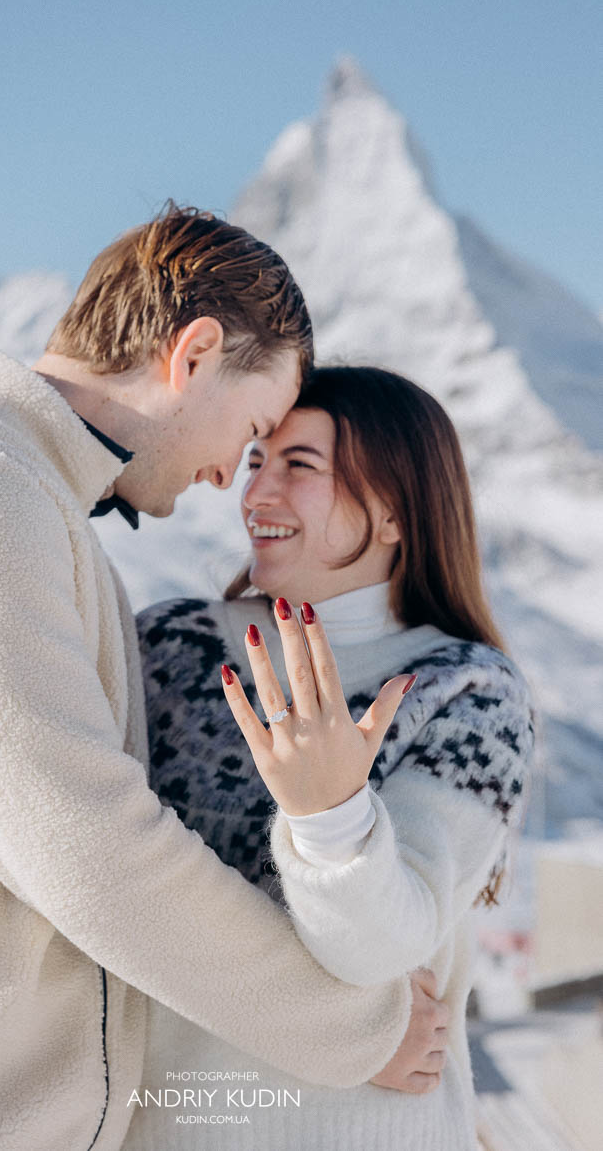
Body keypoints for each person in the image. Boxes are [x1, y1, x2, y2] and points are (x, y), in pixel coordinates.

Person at [0, 213, 446, 1151]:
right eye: (256, 426)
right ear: (194, 354)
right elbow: (86, 843)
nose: (233, 475)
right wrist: (357, 1029)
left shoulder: (27, 497)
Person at [134, 365, 535, 1150]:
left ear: (392, 510)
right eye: (256, 460)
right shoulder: (170, 649)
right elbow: (100, 876)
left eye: (299, 467)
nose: (256, 494)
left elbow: (383, 948)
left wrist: (331, 817)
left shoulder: (467, 690)